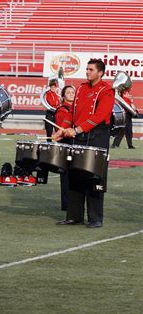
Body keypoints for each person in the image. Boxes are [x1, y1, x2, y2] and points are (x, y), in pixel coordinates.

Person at [53, 59, 114, 228]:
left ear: (100, 72)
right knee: (75, 175)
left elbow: (100, 116)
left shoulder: (106, 90)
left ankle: (95, 218)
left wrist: (78, 129)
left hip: (97, 136)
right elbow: (72, 113)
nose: (87, 72)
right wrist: (62, 129)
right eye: (87, 69)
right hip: (78, 136)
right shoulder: (80, 88)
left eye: (91, 70)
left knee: (94, 176)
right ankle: (74, 216)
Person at [54, 85, 75, 211]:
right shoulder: (62, 110)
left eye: (73, 92)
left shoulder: (76, 108)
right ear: (63, 96)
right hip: (66, 144)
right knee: (66, 175)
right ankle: (66, 204)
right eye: (68, 92)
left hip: (74, 143)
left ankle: (73, 203)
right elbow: (61, 128)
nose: (72, 94)